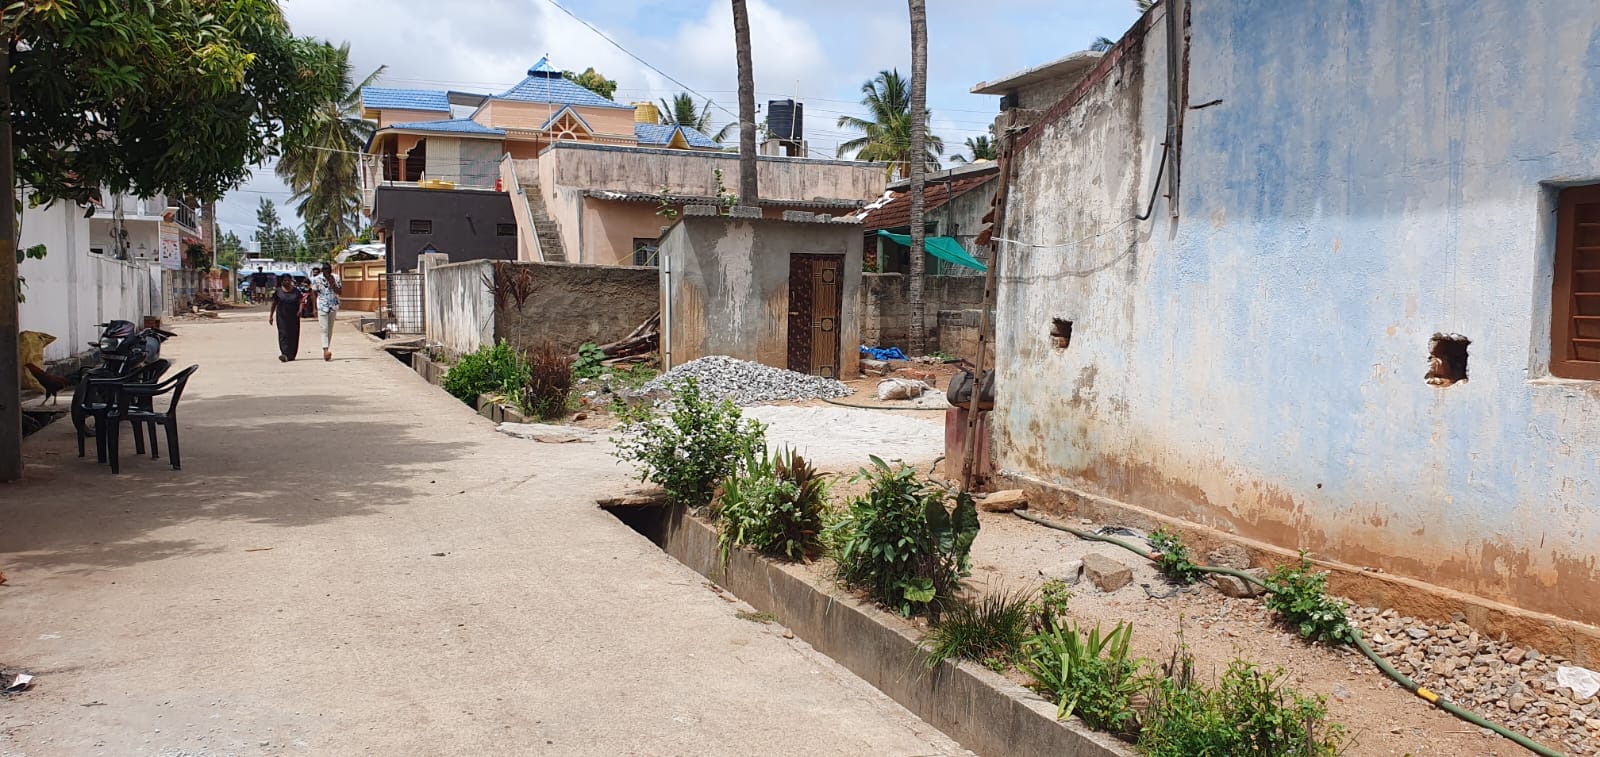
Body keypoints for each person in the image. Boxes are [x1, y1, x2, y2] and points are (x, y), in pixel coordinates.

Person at [266, 274, 304, 362]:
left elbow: (301, 301)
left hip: (294, 316)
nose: (286, 282)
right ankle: (284, 353)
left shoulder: (296, 291)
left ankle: (292, 354)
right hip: (282, 316)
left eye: (288, 280)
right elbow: (274, 304)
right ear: (281, 281)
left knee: (293, 334)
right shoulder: (278, 291)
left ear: (291, 281)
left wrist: (300, 310)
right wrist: (271, 316)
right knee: (283, 334)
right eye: (284, 280)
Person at [310, 264, 342, 361]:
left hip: (333, 305)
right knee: (324, 328)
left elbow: (339, 292)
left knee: (329, 329)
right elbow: (313, 294)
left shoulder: (336, 277)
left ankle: (327, 347)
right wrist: (314, 308)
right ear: (322, 271)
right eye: (325, 270)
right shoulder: (317, 279)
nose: (327, 272)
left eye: (329, 270)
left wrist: (332, 283)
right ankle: (325, 350)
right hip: (322, 306)